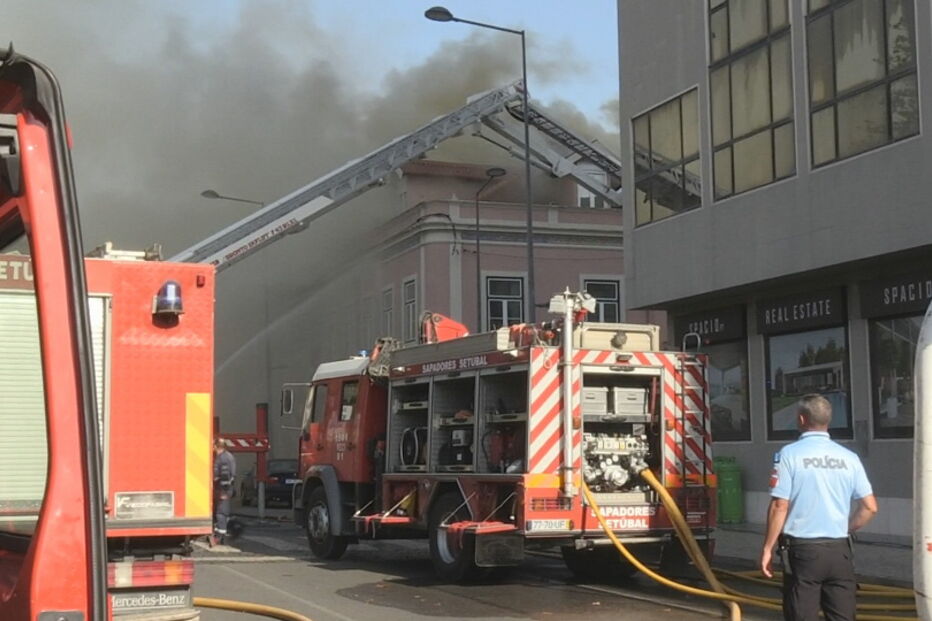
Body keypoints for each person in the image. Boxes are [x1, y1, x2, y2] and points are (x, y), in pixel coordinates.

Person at [760, 394, 878, 621]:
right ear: (828, 421)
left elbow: (779, 505)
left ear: (802, 419)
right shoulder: (849, 458)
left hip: (804, 552)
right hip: (840, 552)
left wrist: (767, 548)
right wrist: (846, 528)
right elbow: (870, 507)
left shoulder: (789, 455)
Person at [212, 437, 236, 545]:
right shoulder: (228, 456)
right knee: (222, 512)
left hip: (223, 489)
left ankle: (221, 537)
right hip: (225, 488)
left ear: (216, 446)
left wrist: (223, 491)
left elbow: (225, 475)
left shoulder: (223, 458)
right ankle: (220, 534)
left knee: (221, 512)